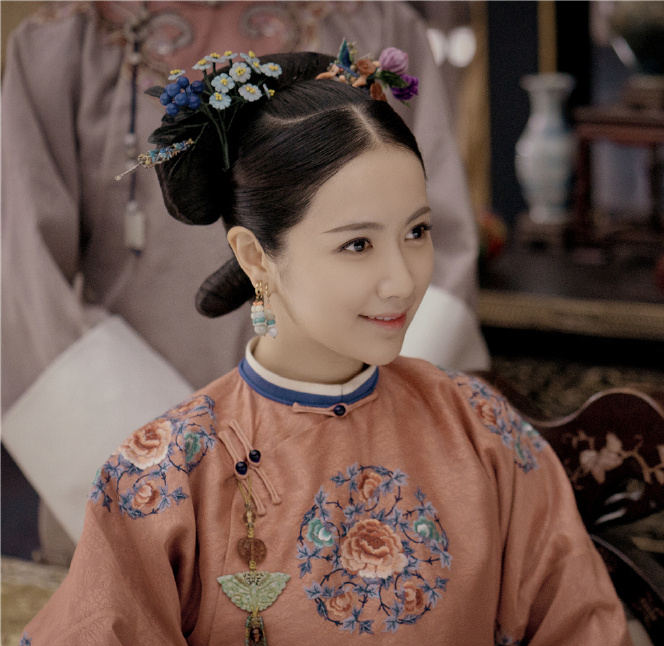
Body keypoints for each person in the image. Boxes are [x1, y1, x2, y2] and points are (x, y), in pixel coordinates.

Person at [8, 49, 637, 646]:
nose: (402, 280)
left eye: (417, 232)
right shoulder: (166, 477)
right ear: (256, 257)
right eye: (357, 244)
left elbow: (580, 642)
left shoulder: (481, 428)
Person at [1, 1, 488, 564]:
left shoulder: (372, 22)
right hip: (138, 454)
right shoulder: (66, 42)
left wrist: (351, 444)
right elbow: (23, 287)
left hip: (350, 476)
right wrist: (176, 477)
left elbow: (437, 236)